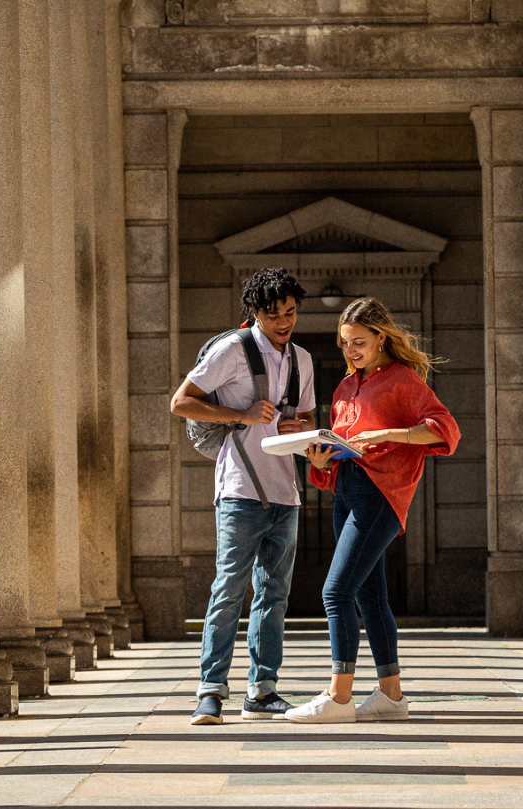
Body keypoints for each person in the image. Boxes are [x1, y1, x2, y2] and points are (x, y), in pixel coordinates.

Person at [285, 297, 459, 723]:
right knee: (369, 595)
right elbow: (338, 455)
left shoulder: (403, 379)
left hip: (381, 495)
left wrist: (390, 432)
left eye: (358, 342)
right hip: (346, 492)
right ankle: (392, 696)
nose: (350, 351)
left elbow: (445, 429)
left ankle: (339, 697)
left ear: (381, 337)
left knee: (335, 591)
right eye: (345, 343)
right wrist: (322, 461)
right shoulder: (346, 387)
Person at [169, 268, 315, 725]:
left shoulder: (303, 359)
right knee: (228, 590)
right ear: (254, 312)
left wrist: (298, 427)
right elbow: (181, 401)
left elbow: (307, 417)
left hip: (285, 491)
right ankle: (210, 691)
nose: (284, 322)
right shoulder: (232, 349)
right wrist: (242, 413)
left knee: (274, 594)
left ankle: (263, 690)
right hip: (238, 489)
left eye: (290, 312)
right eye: (274, 315)